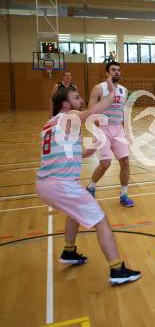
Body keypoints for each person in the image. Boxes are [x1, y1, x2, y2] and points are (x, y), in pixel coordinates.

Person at [36, 81, 141, 285]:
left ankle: (69, 251)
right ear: (65, 104)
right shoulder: (70, 116)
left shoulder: (49, 124)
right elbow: (94, 110)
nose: (81, 100)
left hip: (45, 185)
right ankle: (117, 270)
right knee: (101, 220)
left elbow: (74, 152)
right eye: (76, 98)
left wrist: (92, 149)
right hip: (61, 184)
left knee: (74, 212)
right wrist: (110, 95)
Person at [86, 62, 134, 207]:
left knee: (125, 162)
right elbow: (90, 109)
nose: (116, 72)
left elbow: (124, 112)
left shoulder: (124, 90)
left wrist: (127, 130)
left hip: (118, 129)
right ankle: (91, 187)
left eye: (118, 70)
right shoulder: (99, 88)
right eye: (113, 70)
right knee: (105, 164)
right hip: (102, 130)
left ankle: (124, 194)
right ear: (107, 73)